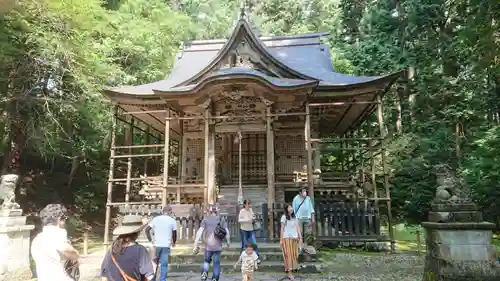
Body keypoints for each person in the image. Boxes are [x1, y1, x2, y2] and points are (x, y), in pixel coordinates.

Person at [31, 204, 80, 281]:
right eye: (65, 219)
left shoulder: (37, 240)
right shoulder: (58, 234)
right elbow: (66, 249)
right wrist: (76, 255)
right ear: (59, 219)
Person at [100, 215, 155, 281]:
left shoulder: (111, 249)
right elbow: (149, 277)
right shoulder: (140, 250)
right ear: (138, 232)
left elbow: (104, 276)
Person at [193, 205, 231, 281]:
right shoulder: (221, 219)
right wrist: (228, 242)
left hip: (208, 246)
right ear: (217, 211)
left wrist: (195, 244)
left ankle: (204, 273)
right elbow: (227, 232)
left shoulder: (205, 220)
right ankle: (215, 278)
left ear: (209, 212)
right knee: (216, 263)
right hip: (218, 246)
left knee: (206, 261)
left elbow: (199, 232)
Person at [145, 205, 177, 281]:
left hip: (156, 245)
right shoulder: (172, 220)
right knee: (164, 265)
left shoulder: (155, 219)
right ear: (170, 212)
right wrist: (174, 242)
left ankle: (153, 279)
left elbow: (147, 230)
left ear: (162, 212)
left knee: (154, 264)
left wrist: (150, 240)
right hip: (166, 245)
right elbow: (174, 233)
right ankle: (163, 279)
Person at [280, 203, 302, 281]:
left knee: (294, 255)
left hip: (295, 238)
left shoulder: (294, 217)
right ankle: (289, 273)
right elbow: (282, 228)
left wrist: (300, 236)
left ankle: (292, 269)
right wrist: (281, 239)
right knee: (288, 255)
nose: (291, 209)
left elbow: (297, 227)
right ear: (286, 209)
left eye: (291, 207)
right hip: (287, 238)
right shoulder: (284, 217)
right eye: (289, 207)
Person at [292, 187, 315, 251]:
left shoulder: (308, 198)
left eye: (305, 191)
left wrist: (312, 217)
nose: (305, 192)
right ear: (300, 192)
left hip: (307, 217)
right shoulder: (296, 199)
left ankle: (305, 244)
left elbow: (311, 208)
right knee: (300, 232)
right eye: (304, 191)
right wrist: (294, 218)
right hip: (299, 218)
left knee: (308, 232)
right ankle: (300, 246)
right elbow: (293, 209)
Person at [238, 200, 261, 264]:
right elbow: (239, 220)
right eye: (248, 204)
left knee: (254, 244)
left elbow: (253, 217)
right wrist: (247, 220)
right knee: (244, 244)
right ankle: (243, 258)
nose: (249, 205)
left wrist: (253, 218)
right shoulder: (242, 211)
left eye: (250, 204)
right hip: (243, 229)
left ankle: (256, 258)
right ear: (245, 204)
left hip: (251, 229)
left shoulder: (251, 210)